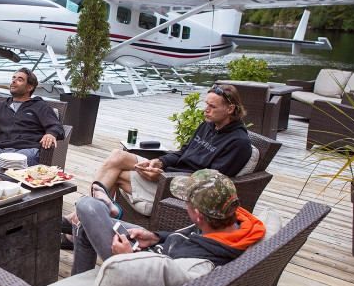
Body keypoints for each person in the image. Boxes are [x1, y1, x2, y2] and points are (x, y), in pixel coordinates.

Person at [66, 83, 252, 230]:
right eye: (206, 104)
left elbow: (208, 183)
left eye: (212, 106)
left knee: (115, 175)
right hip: (168, 172)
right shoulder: (208, 125)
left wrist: (162, 175)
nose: (206, 110)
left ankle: (80, 221)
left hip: (178, 186)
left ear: (230, 109)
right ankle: (85, 218)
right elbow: (182, 152)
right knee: (117, 156)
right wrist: (160, 161)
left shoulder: (238, 143)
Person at [70, 169, 265, 276]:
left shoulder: (197, 258)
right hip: (155, 249)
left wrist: (128, 257)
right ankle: (78, 282)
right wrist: (154, 237)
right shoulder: (232, 225)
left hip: (137, 266)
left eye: (186, 203)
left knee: (87, 206)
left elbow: (153, 282)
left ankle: (104, 205)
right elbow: (184, 239)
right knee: (86, 224)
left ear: (198, 214)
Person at [0, 67, 65, 166]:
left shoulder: (40, 106)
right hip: (1, 150)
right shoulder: (1, 106)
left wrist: (51, 134)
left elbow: (56, 126)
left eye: (20, 79)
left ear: (29, 88)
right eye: (13, 78)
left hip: (27, 152)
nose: (14, 81)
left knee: (10, 160)